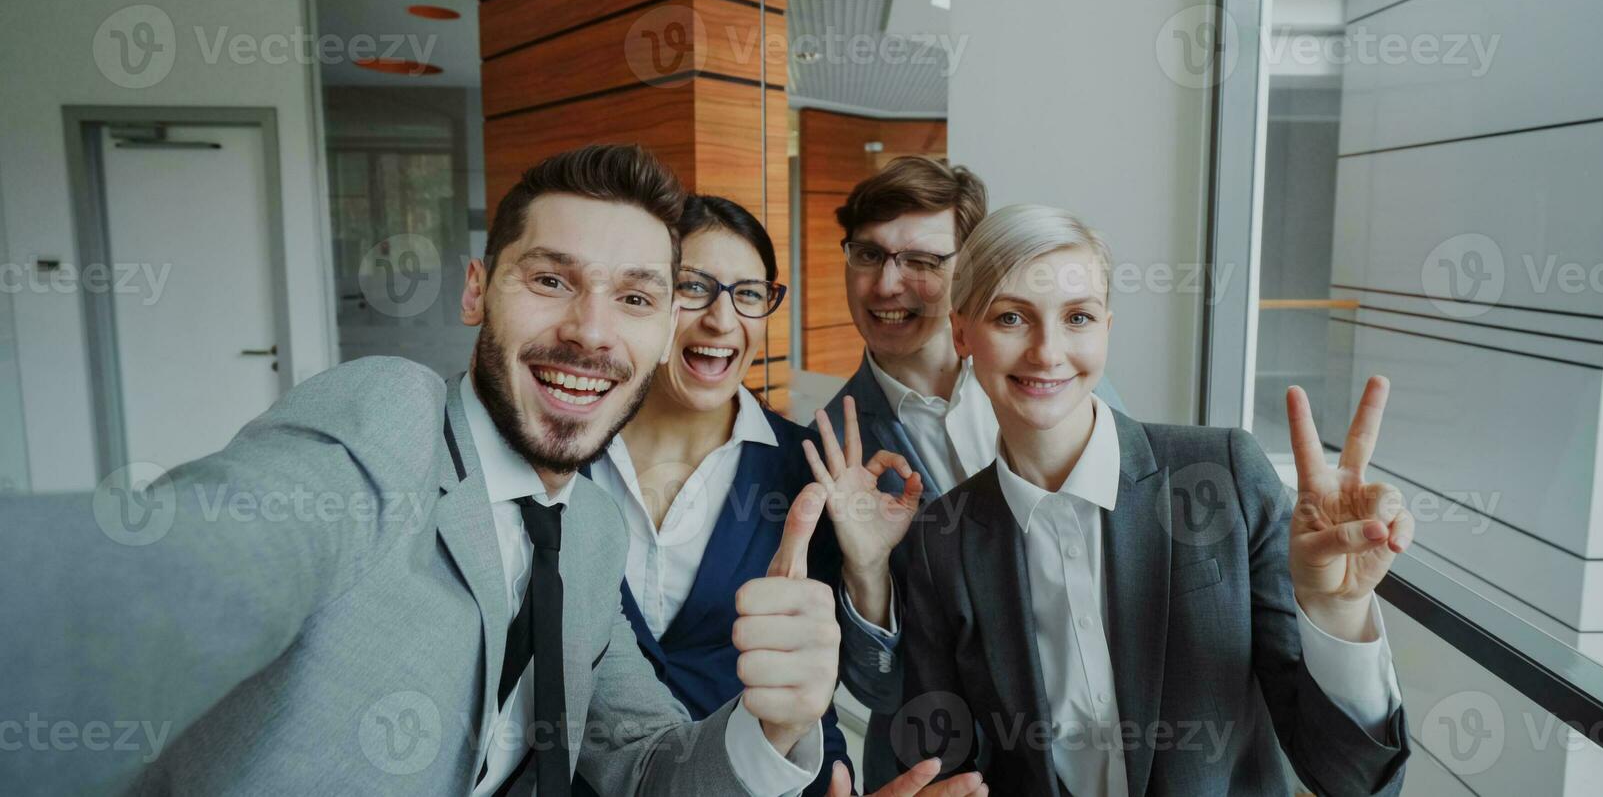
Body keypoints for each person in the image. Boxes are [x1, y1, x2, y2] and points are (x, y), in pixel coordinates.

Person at [0, 145, 960, 797]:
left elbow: (643, 764)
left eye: (633, 296)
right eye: (550, 280)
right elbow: (198, 559)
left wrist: (772, 729)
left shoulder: (583, 536)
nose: (589, 330)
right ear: (476, 289)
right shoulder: (385, 425)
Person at [891, 204, 1413, 796]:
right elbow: (946, 763)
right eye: (1011, 318)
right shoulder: (942, 538)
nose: (1047, 352)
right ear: (961, 333)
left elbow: (1357, 782)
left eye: (1078, 317)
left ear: (1106, 329)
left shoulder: (1224, 476)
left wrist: (1337, 611)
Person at [581, 195, 939, 797]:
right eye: (694, 286)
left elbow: (870, 679)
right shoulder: (566, 451)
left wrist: (867, 565)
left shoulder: (811, 469)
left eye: (748, 294)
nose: (723, 321)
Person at [812, 156, 1121, 788]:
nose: (886, 286)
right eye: (868, 255)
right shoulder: (827, 448)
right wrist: (868, 570)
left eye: (923, 262)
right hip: (945, 770)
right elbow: (875, 683)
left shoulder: (1060, 382)